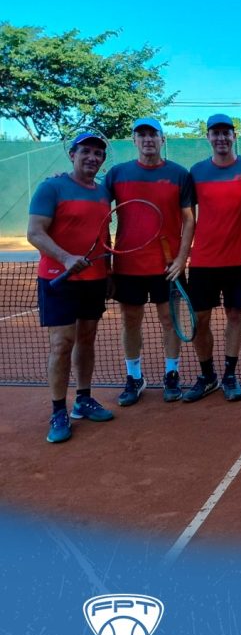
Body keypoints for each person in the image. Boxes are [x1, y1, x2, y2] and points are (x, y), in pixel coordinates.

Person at [27, 131, 115, 443]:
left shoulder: (103, 193)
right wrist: (65, 258)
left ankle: (83, 399)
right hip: (57, 279)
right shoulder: (51, 187)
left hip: (94, 280)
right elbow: (34, 232)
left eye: (98, 153)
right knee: (62, 344)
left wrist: (109, 272)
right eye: (86, 151)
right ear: (72, 155)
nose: (92, 157)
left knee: (87, 340)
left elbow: (104, 236)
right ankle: (58, 411)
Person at [104, 118, 195, 405]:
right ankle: (134, 377)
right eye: (141, 134)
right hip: (128, 265)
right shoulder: (117, 174)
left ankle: (171, 374)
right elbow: (97, 206)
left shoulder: (179, 174)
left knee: (170, 320)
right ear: (134, 140)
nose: (147, 139)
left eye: (153, 134)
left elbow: (189, 219)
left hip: (168, 266)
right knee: (130, 321)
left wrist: (182, 258)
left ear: (162, 139)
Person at [183, 114, 241, 402]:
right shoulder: (196, 172)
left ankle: (230, 375)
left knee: (234, 315)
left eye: (226, 132)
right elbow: (184, 211)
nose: (221, 138)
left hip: (240, 260)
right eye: (215, 133)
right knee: (199, 319)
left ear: (234, 136)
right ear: (208, 137)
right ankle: (208, 376)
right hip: (204, 259)